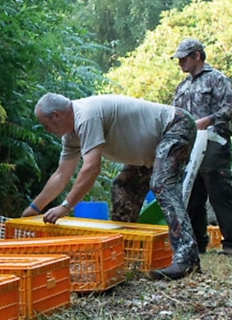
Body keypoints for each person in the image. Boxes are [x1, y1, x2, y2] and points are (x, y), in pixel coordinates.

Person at [21, 93, 200, 280]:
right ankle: (125, 254)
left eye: (45, 124)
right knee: (123, 187)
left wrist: (66, 206)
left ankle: (187, 259)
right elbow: (61, 175)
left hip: (176, 125)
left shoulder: (86, 115)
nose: (46, 129)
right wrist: (34, 208)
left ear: (56, 115)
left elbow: (91, 168)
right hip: (150, 150)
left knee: (162, 184)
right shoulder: (71, 136)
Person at [171, 38, 232, 257]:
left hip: (214, 143)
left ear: (197, 56)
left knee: (218, 192)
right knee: (192, 194)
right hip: (189, 146)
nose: (180, 63)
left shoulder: (217, 79)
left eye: (184, 58)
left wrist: (207, 120)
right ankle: (198, 243)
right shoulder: (182, 86)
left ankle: (231, 244)